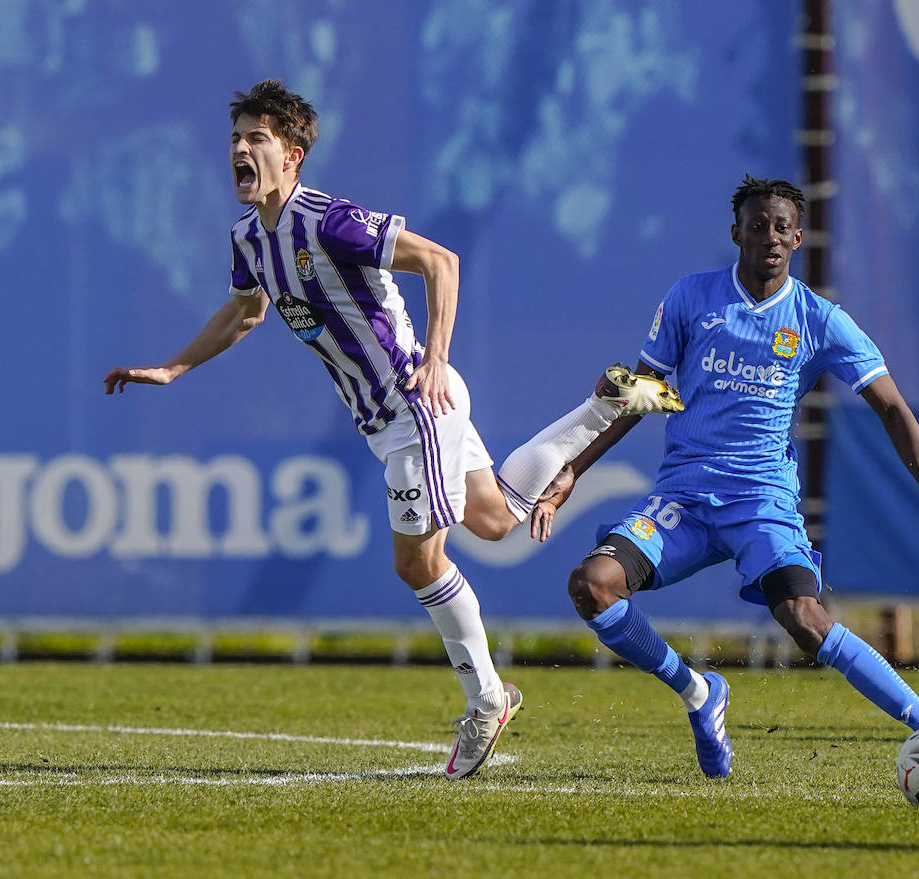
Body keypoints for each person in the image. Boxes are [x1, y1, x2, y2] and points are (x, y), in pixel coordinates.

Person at [102, 79, 682, 779]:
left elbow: (442, 262)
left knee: (414, 561)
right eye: (235, 138)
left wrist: (435, 360)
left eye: (256, 139)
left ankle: (487, 700)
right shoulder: (248, 239)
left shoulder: (329, 221)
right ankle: (610, 401)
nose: (239, 150)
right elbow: (246, 313)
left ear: (292, 156)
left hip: (417, 405)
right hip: (391, 421)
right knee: (497, 520)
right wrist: (172, 368)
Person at [528, 175, 919, 779]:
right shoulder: (692, 298)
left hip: (761, 503)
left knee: (805, 620)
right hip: (684, 500)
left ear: (798, 238)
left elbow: (893, 409)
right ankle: (699, 693)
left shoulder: (818, 318)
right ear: (736, 233)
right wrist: (571, 469)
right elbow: (641, 395)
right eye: (758, 225)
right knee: (592, 584)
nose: (769, 237)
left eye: (782, 227)